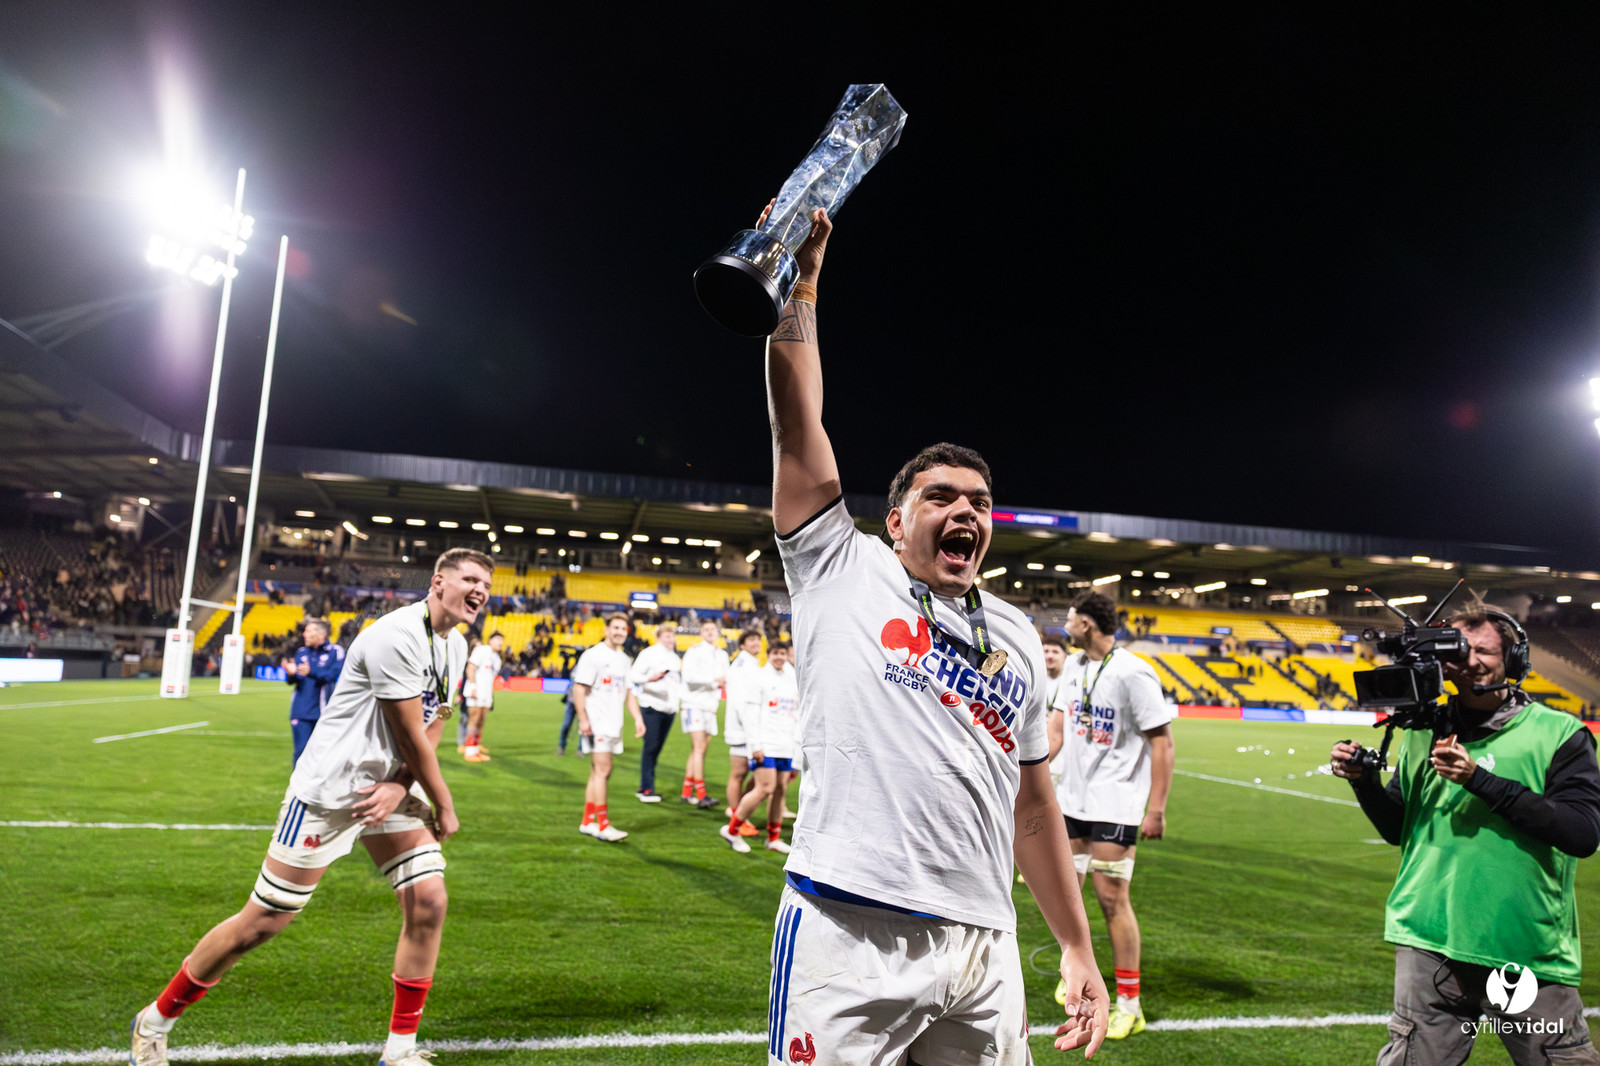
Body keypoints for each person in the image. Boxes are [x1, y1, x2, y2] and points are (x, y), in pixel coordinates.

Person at [761, 202, 1106, 1061]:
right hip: (849, 926)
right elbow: (797, 419)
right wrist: (801, 282)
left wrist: (1075, 945)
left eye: (980, 504)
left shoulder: (1020, 636)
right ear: (894, 520)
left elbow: (1033, 806)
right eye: (941, 497)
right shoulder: (839, 566)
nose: (965, 512)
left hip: (982, 947)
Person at [129, 548, 488, 1066]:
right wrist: (444, 802)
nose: (480, 590)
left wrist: (401, 785)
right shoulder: (396, 635)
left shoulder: (454, 645)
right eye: (470, 578)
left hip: (387, 787)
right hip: (329, 793)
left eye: (486, 583)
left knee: (429, 899)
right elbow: (409, 732)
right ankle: (155, 1019)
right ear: (438, 582)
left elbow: (434, 720)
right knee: (263, 922)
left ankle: (400, 1051)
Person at [1330, 602, 1600, 1065]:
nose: (1470, 659)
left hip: (1523, 948)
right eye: (1458, 649)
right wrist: (1364, 783)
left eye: (1484, 650)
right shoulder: (1421, 729)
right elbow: (1398, 828)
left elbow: (1581, 834)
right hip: (1427, 941)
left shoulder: (1560, 733)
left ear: (1513, 660)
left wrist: (1480, 780)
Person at [1046, 590, 1174, 1040]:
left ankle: (1129, 1005)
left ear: (1089, 623)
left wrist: (1155, 809)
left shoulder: (1133, 672)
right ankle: (1078, 973)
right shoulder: (1074, 668)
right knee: (1070, 892)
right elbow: (1057, 729)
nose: (1067, 622)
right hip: (1073, 801)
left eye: (1073, 616)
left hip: (1116, 803)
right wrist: (1034, 769)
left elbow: (1163, 743)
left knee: (1111, 900)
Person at [571, 612, 646, 842]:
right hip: (597, 723)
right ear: (606, 630)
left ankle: (587, 821)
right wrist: (583, 719)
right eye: (615, 628)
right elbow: (579, 689)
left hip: (614, 724)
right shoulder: (593, 655)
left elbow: (629, 694)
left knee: (599, 771)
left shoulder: (624, 659)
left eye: (623, 629)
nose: (619, 632)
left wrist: (638, 718)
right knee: (603, 770)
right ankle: (603, 824)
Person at [720, 639, 798, 855]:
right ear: (769, 655)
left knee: (780, 790)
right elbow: (750, 714)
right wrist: (755, 745)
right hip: (766, 744)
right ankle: (732, 829)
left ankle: (773, 838)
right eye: (775, 653)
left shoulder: (790, 679)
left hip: (785, 744)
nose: (779, 657)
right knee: (764, 788)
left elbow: (795, 713)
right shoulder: (760, 678)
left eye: (782, 653)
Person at [629, 618, 682, 802]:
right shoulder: (648, 654)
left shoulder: (675, 658)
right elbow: (634, 675)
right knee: (650, 747)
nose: (670, 640)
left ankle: (645, 785)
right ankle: (647, 788)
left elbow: (676, 684)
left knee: (657, 749)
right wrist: (649, 679)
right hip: (651, 706)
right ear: (659, 637)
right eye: (667, 636)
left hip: (669, 709)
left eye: (672, 636)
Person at [281, 618, 344, 766]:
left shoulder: (336, 652)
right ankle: (296, 788)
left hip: (324, 712)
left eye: (309, 631)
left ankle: (321, 788)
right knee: (301, 752)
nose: (304, 634)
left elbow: (331, 676)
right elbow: (293, 681)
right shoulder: (301, 652)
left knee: (324, 754)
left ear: (322, 634)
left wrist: (311, 672)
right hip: (301, 711)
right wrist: (290, 674)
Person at [678, 617, 727, 809]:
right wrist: (715, 681)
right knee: (699, 748)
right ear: (701, 633)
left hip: (710, 705)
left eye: (712, 629)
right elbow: (689, 678)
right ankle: (701, 794)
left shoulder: (721, 654)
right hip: (694, 704)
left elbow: (726, 677)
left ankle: (686, 791)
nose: (709, 632)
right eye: (706, 629)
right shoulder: (694, 652)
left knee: (700, 749)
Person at [722, 628, 765, 836]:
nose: (756, 643)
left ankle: (739, 810)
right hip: (742, 728)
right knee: (739, 774)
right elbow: (742, 702)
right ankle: (736, 815)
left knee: (753, 776)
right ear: (742, 644)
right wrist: (749, 731)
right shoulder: (742, 666)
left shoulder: (749, 663)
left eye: (758, 639)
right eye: (751, 640)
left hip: (749, 727)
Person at [461, 631, 504, 762]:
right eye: (497, 639)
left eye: (501, 640)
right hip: (476, 691)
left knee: (481, 721)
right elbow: (470, 668)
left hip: (486, 694)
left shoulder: (497, 658)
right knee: (474, 720)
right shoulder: (482, 650)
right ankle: (469, 751)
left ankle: (476, 749)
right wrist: (473, 687)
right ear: (490, 640)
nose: (500, 642)